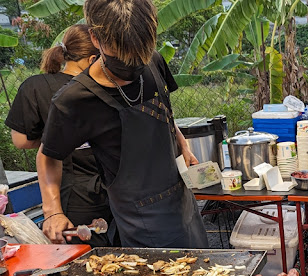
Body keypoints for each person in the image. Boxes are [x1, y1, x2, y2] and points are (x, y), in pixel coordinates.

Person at [37, 0, 208, 248]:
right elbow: (48, 155)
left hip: (181, 201)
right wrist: (52, 210)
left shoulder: (154, 61)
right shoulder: (74, 100)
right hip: (140, 220)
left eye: (141, 53)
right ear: (95, 38)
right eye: (123, 54)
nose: (135, 63)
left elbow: (165, 113)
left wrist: (182, 145)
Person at [5, 25, 113, 247]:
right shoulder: (103, 86)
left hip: (71, 193)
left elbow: (20, 140)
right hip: (112, 186)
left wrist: (59, 141)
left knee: (82, 259)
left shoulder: (35, 86)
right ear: (92, 59)